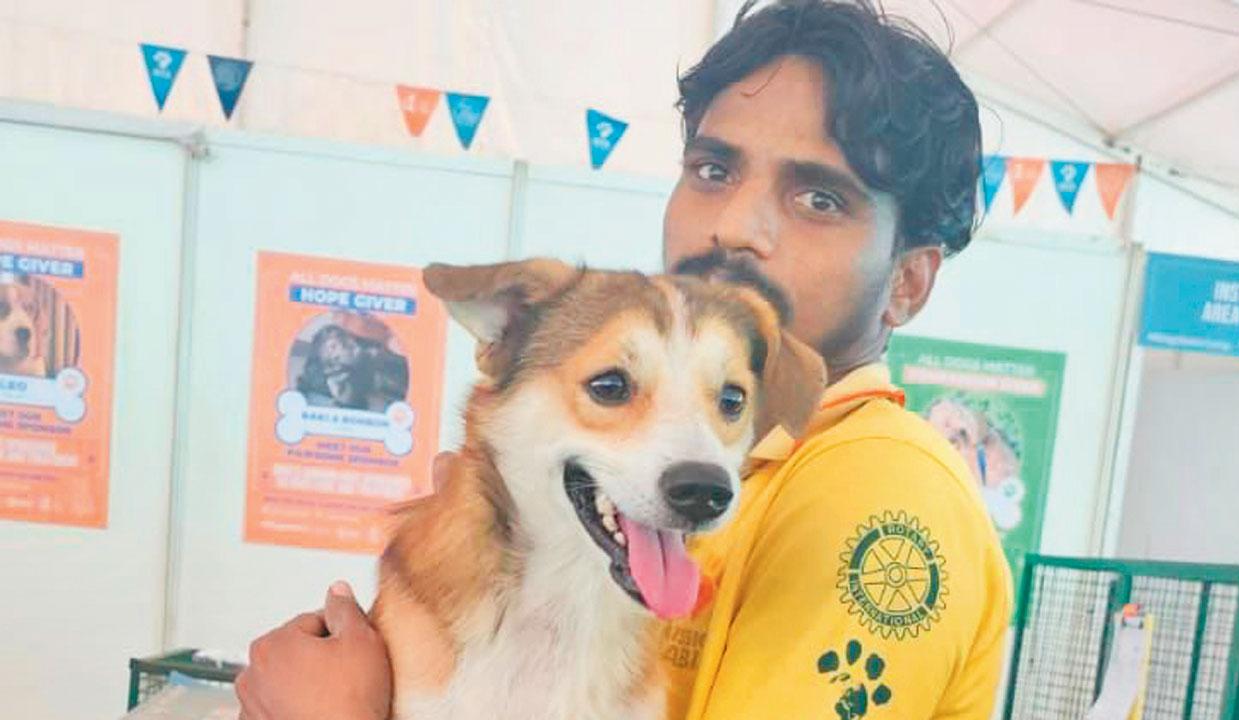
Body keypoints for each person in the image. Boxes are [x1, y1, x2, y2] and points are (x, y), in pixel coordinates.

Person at [234, 1, 1013, 718]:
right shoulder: (721, 467)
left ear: (907, 281)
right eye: (714, 170)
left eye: (819, 199)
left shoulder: (877, 491)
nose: (736, 227)